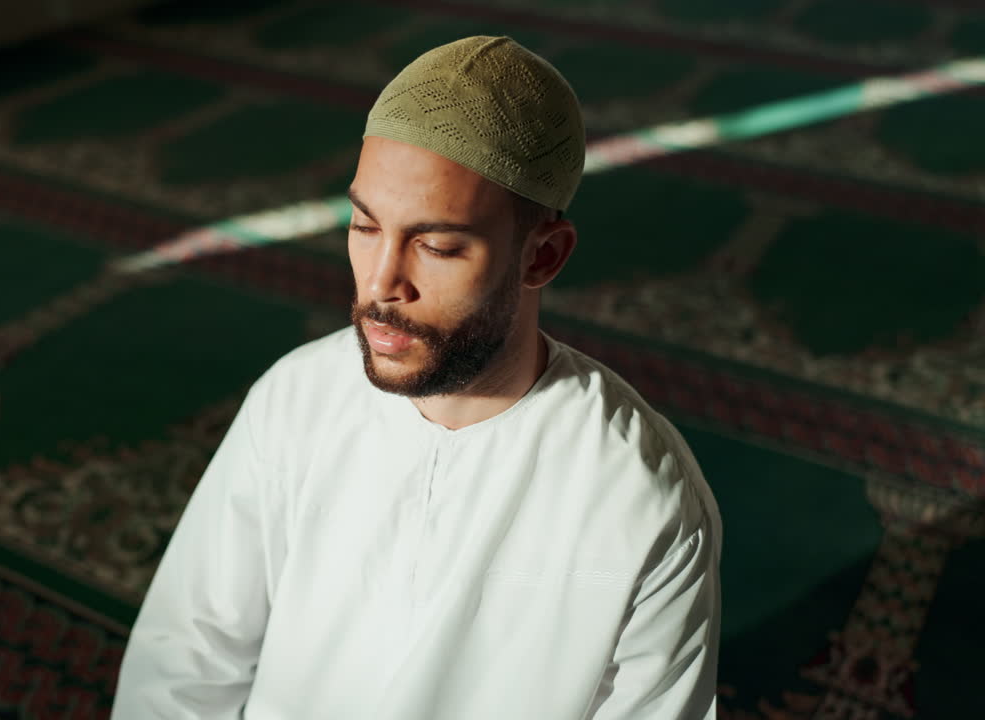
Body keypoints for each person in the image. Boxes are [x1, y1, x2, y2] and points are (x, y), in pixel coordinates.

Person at [112, 35, 722, 719]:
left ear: (542, 257)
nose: (380, 284)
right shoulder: (295, 400)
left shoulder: (640, 499)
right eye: (365, 226)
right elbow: (186, 659)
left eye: (435, 246)